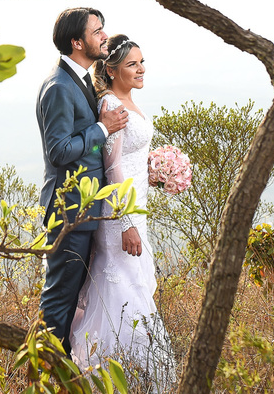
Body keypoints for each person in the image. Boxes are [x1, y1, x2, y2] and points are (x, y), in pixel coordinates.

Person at [70, 34, 175, 389]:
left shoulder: (129, 101)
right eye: (132, 64)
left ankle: (134, 375)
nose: (141, 68)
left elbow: (130, 159)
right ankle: (125, 376)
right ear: (112, 70)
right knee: (123, 289)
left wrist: (159, 170)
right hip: (119, 215)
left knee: (136, 285)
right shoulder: (111, 106)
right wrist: (127, 223)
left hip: (137, 208)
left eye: (142, 61)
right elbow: (111, 167)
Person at [36, 7, 129, 356]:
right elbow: (59, 151)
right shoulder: (59, 87)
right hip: (69, 208)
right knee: (60, 298)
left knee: (71, 297)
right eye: (97, 31)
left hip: (84, 209)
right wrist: (103, 129)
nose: (104, 35)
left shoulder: (81, 79)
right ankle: (41, 370)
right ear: (77, 42)